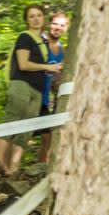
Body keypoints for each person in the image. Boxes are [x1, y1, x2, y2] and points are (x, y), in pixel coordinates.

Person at [0, 5, 63, 176]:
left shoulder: (43, 42)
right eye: (31, 16)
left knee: (26, 131)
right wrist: (48, 67)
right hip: (21, 85)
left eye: (39, 15)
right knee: (11, 120)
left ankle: (13, 169)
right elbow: (24, 64)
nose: (36, 19)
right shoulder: (25, 38)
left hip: (38, 90)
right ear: (26, 20)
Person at [37, 11, 69, 164]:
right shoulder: (40, 41)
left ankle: (42, 166)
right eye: (55, 24)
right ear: (49, 24)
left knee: (48, 135)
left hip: (48, 97)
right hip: (34, 92)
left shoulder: (61, 48)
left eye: (62, 25)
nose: (58, 28)